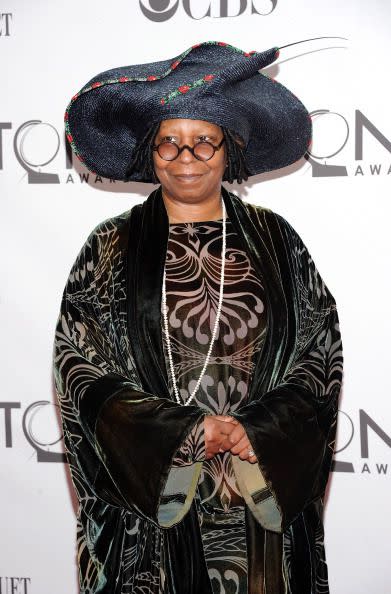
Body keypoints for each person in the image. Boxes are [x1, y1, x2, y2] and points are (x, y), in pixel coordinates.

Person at [54, 40, 343, 594]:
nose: (186, 160)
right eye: (170, 144)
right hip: (155, 515)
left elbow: (319, 349)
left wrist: (257, 430)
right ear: (151, 153)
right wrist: (182, 434)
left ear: (228, 150)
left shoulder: (277, 241)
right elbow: (79, 367)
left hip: (257, 494)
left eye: (203, 143)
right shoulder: (110, 246)